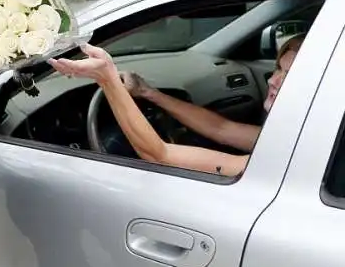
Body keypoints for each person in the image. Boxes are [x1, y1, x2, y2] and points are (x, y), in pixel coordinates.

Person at [48, 34, 305, 177]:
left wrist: (107, 79)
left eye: (287, 76)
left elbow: (160, 155)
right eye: (277, 69)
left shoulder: (291, 159)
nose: (272, 80)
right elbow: (221, 128)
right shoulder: (299, 135)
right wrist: (150, 93)